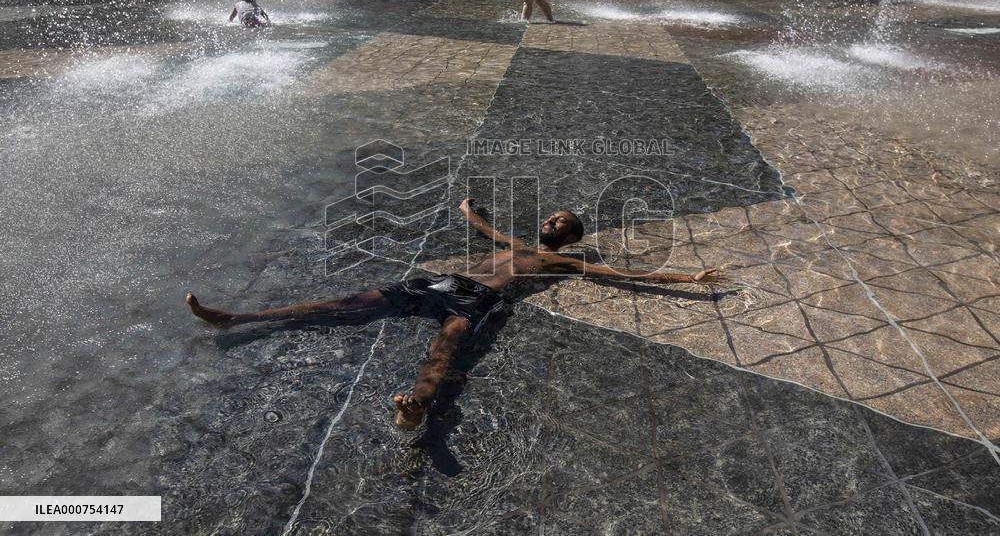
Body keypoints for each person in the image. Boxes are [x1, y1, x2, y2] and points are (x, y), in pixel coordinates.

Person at [185, 200, 722, 430]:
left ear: (570, 237)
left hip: (474, 302)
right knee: (347, 305)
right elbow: (487, 234)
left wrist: (686, 280)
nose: (552, 221)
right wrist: (471, 212)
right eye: (553, 217)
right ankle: (236, 319)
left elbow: (625, 277)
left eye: (561, 221)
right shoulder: (514, 238)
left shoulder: (560, 259)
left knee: (448, 347)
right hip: (444, 283)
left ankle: (417, 402)